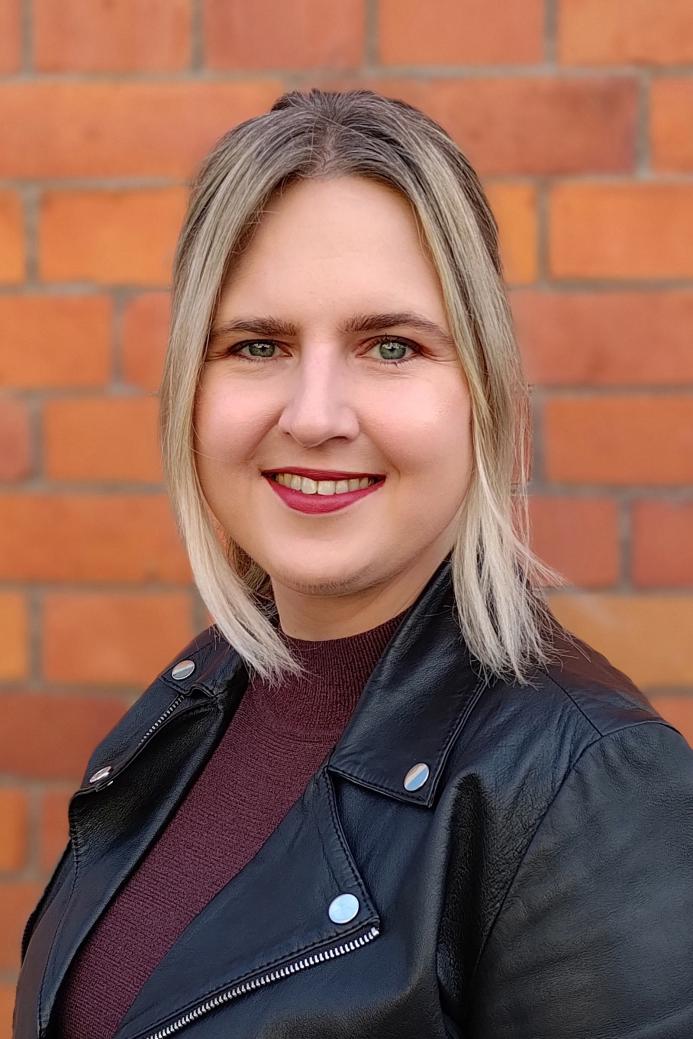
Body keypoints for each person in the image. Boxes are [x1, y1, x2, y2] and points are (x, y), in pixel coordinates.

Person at [13, 88, 693, 1039]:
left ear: (483, 390)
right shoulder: (195, 702)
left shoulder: (585, 784)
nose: (315, 415)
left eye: (391, 345)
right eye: (257, 344)